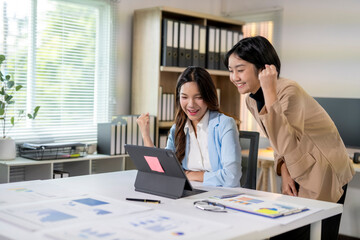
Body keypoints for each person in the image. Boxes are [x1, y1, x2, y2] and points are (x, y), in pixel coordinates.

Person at [225, 36, 355, 240]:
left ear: (263, 68)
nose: (234, 77)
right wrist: (284, 171)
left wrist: (269, 90)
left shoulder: (288, 90)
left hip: (324, 168)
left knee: (317, 232)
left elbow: (286, 140)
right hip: (298, 164)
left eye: (240, 70)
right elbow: (278, 140)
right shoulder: (252, 100)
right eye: (231, 70)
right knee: (288, 231)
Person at [137, 66, 242, 187]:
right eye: (184, 97)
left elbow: (231, 177)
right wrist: (145, 135)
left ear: (208, 96)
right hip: (190, 193)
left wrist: (190, 175)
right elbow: (162, 170)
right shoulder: (177, 129)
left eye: (198, 97)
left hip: (222, 196)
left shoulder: (224, 124)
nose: (191, 104)